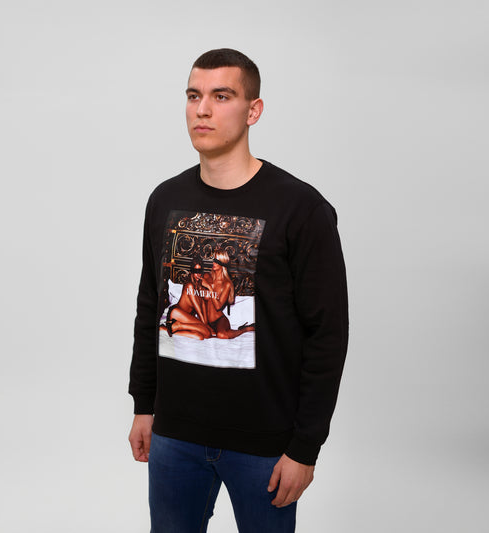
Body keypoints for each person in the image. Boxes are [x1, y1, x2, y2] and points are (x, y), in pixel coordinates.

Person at [128, 48, 348, 532]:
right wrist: (143, 404)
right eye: (193, 96)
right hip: (175, 436)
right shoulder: (165, 199)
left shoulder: (301, 208)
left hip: (265, 445)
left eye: (221, 96)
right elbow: (150, 306)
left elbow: (327, 335)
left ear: (254, 110)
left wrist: (305, 447)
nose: (202, 110)